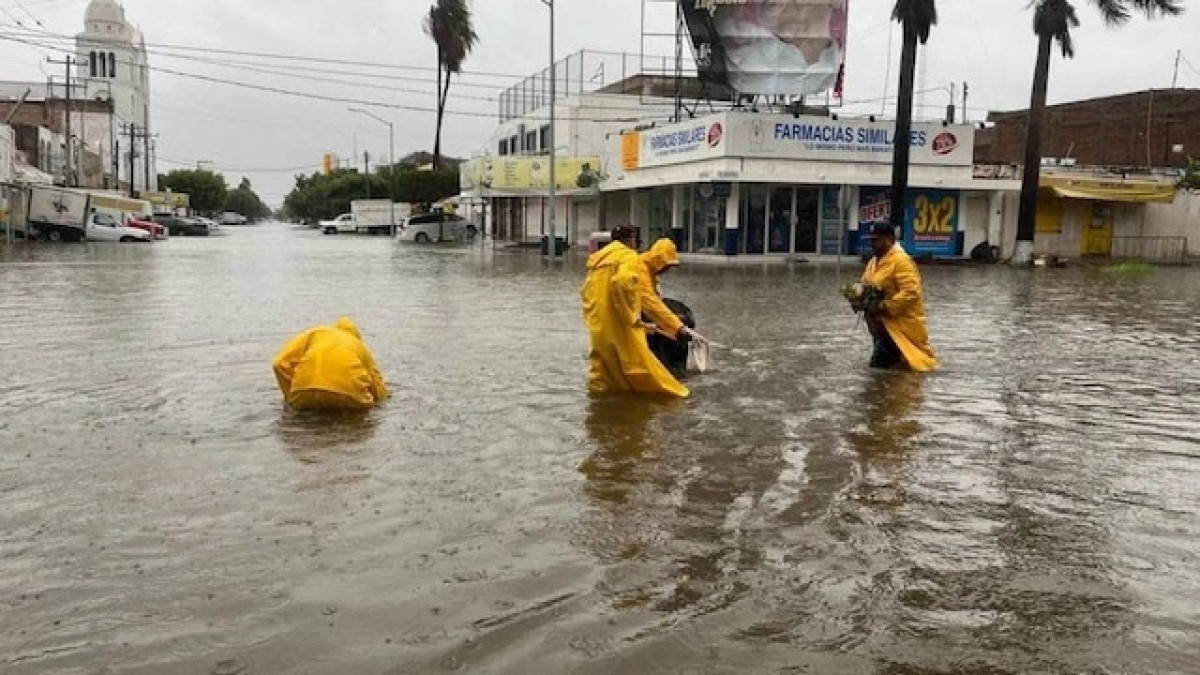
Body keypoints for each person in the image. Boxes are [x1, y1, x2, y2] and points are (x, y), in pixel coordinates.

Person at [581, 226, 702, 398]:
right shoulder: (630, 258)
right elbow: (637, 293)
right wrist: (676, 327)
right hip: (622, 328)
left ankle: (603, 409)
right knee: (648, 375)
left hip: (599, 326)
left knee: (604, 376)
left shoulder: (599, 261)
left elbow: (587, 292)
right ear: (630, 241)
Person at [857, 223, 938, 372]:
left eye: (876, 240)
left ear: (889, 239)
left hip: (898, 325)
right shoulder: (874, 261)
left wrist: (885, 306)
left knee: (878, 369)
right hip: (879, 324)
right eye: (871, 240)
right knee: (894, 369)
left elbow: (911, 291)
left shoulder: (902, 261)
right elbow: (865, 284)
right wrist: (858, 299)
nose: (872, 243)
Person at [272, 317, 390, 411]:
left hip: (303, 392)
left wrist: (291, 394)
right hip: (349, 395)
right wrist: (382, 401)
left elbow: (279, 363)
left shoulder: (316, 333)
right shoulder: (359, 345)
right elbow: (376, 384)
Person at [637, 237, 704, 378]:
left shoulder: (649, 271)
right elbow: (651, 304)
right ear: (659, 262)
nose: (667, 270)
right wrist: (680, 327)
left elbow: (655, 301)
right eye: (667, 266)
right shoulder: (641, 271)